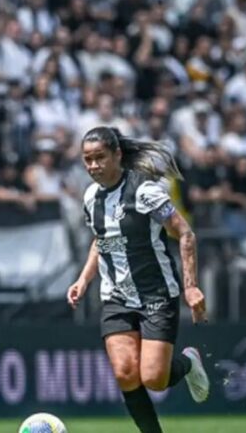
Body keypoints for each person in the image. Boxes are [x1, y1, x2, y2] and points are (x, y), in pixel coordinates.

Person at [67, 126, 210, 433]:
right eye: (87, 159)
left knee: (154, 378)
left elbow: (185, 233)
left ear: (117, 155)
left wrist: (192, 286)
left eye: (99, 158)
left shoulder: (146, 190)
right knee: (124, 371)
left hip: (156, 293)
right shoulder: (91, 197)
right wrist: (83, 280)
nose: (93, 166)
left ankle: (186, 363)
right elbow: (100, 239)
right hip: (116, 296)